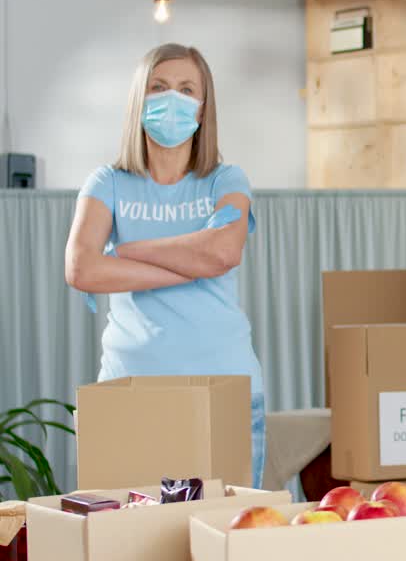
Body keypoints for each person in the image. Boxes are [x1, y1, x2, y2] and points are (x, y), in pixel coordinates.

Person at [65, 44, 265, 487]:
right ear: (139, 100)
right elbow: (82, 268)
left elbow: (222, 254)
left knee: (220, 543)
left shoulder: (225, 180)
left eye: (185, 88)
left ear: (203, 106)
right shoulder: (108, 182)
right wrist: (190, 262)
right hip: (128, 391)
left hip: (223, 390)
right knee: (126, 544)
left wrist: (127, 251)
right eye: (158, 87)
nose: (171, 97)